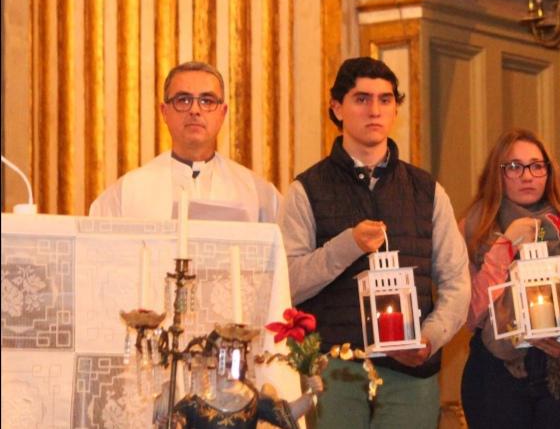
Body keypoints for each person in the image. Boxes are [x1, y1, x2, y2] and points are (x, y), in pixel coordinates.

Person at [277, 57, 470, 428]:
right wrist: (346, 244)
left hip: (411, 370)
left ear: (395, 108)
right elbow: (288, 284)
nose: (374, 110)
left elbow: (457, 282)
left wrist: (429, 339)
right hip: (334, 368)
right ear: (337, 107)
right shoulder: (306, 189)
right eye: (361, 99)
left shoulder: (427, 190)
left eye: (385, 100)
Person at [459, 129, 560, 428]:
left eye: (537, 165)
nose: (527, 175)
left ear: (548, 172)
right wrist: (505, 247)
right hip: (495, 372)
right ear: (498, 173)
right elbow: (470, 315)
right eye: (514, 166)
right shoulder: (474, 227)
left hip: (557, 368)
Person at [90, 61, 279, 222]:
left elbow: (284, 258)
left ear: (222, 113)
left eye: (207, 100)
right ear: (165, 112)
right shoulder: (127, 193)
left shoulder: (257, 194)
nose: (195, 110)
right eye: (183, 100)